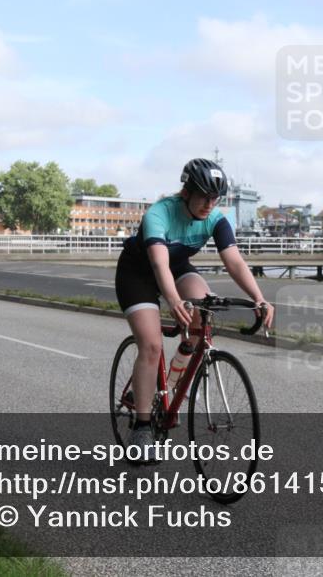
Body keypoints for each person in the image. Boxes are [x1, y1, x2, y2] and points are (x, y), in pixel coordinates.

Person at [114, 158, 274, 460]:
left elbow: (235, 261)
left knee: (205, 310)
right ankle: (143, 427)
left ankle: (171, 382)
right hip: (138, 273)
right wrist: (173, 301)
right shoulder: (159, 214)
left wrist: (259, 298)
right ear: (186, 192)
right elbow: (159, 263)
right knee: (151, 345)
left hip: (177, 268)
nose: (209, 204)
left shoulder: (215, 217)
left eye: (215, 198)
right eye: (203, 196)